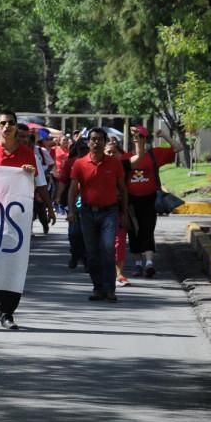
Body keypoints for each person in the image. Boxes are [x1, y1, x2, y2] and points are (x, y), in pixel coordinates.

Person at [0, 111, 51, 329]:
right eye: (3, 123)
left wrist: (48, 208)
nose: (7, 126)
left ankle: (7, 313)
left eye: (11, 123)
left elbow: (38, 183)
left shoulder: (28, 154)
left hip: (17, 220)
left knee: (14, 264)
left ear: (16, 127)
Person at [67, 128, 128, 302]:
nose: (96, 142)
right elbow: (72, 190)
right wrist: (71, 211)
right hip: (87, 212)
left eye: (100, 139)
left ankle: (110, 289)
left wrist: (124, 213)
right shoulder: (79, 163)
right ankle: (98, 288)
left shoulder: (114, 163)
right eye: (93, 139)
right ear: (88, 142)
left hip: (110, 212)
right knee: (92, 252)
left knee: (108, 249)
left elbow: (122, 189)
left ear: (105, 141)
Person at [126, 126, 183, 277]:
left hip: (150, 199)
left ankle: (149, 263)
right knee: (133, 231)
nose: (136, 138)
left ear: (145, 139)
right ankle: (138, 264)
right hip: (130, 200)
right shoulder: (126, 157)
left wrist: (164, 135)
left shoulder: (154, 154)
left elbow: (178, 148)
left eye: (140, 135)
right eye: (134, 136)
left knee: (147, 229)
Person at [16, 124, 55, 235]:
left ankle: (43, 226)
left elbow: (42, 186)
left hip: (22, 207)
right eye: (18, 136)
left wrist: (50, 209)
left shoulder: (33, 158)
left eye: (25, 136)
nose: (22, 139)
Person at [56, 138, 89, 269]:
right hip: (74, 202)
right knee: (74, 233)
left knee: (88, 233)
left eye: (86, 149)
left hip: (90, 203)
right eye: (81, 149)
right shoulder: (71, 163)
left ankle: (87, 260)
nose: (84, 152)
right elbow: (63, 181)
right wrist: (58, 196)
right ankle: (75, 254)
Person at [105, 139, 130, 287]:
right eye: (108, 152)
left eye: (114, 152)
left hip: (119, 210)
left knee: (119, 243)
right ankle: (105, 273)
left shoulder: (125, 167)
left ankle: (119, 274)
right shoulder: (95, 166)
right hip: (98, 212)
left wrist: (125, 213)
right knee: (104, 244)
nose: (111, 155)